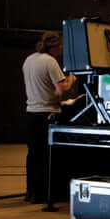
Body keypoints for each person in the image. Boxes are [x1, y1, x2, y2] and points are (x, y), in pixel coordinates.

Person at [22, 31, 76, 203]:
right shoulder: (50, 62)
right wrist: (72, 79)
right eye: (60, 46)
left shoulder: (29, 60)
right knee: (47, 156)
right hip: (48, 113)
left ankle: (31, 192)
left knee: (33, 154)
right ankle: (46, 193)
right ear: (55, 46)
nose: (60, 50)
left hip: (31, 113)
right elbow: (62, 89)